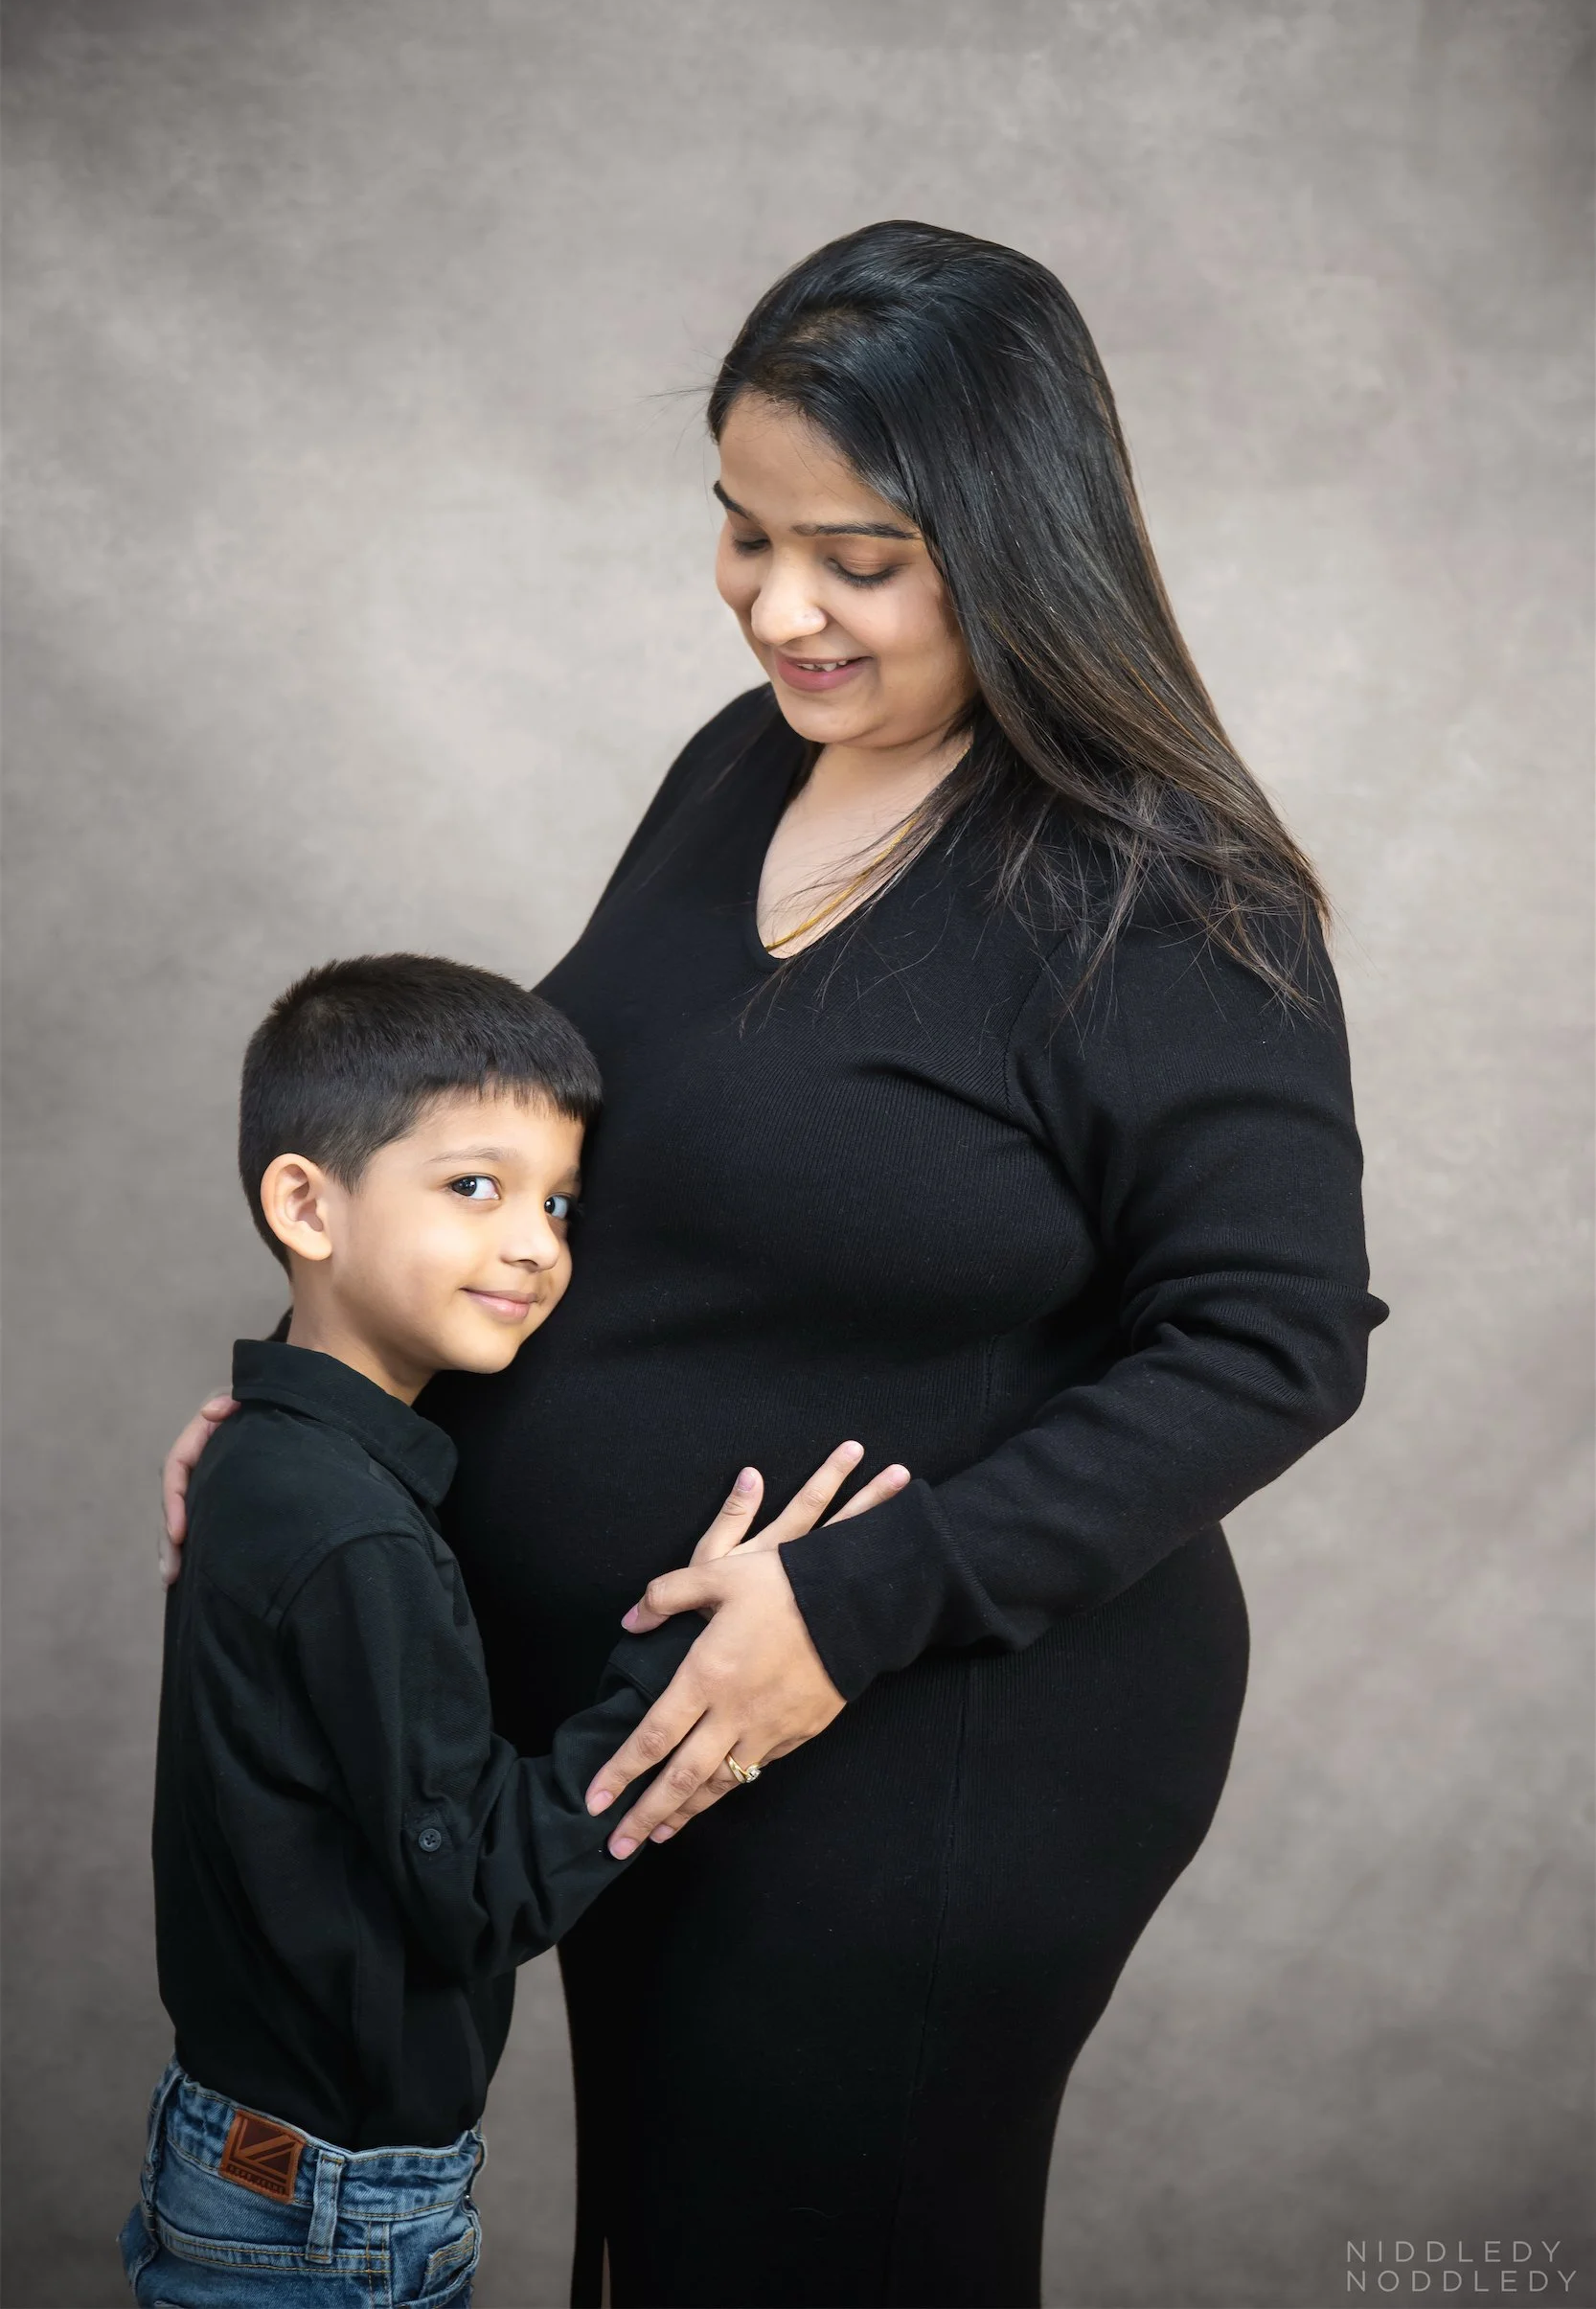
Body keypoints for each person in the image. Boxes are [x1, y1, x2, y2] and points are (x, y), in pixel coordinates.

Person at [163, 221, 1389, 2309]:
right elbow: (607, 1185)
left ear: (1013, 542)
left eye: (857, 554)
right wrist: (338, 1401)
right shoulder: (746, 765)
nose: (778, 605)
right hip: (645, 1722)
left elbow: (1274, 1340)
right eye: (740, 532)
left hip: (932, 1735)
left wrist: (841, 1604)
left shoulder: (1158, 896)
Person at [128, 952, 907, 2308]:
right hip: (329, 2208)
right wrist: (691, 1672)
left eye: (557, 1201)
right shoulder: (351, 1533)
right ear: (306, 1205)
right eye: (473, 1188)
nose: (539, 1242)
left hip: (248, 2151)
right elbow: (482, 1891)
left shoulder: (265, 1461)